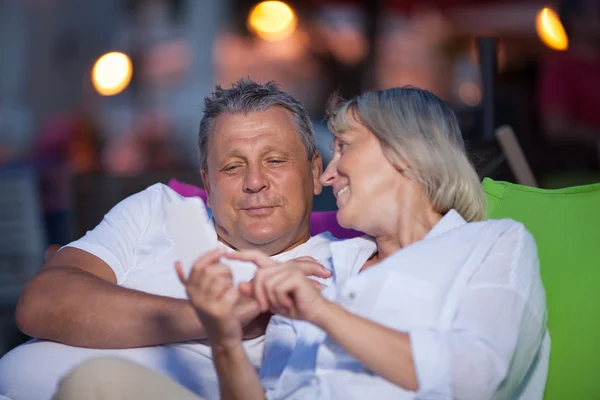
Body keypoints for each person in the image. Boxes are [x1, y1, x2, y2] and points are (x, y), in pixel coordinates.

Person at [52, 87, 550, 400]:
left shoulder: (492, 244)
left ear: (406, 153)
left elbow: (478, 378)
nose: (331, 173)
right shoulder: (333, 261)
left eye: (344, 149)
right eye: (231, 168)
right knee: (95, 383)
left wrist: (322, 313)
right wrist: (223, 336)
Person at [0, 78, 336, 400]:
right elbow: (40, 302)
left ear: (314, 172)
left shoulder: (336, 265)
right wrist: (216, 317)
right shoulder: (160, 209)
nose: (254, 181)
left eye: (275, 161)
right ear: (207, 184)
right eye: (233, 167)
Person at [538, 0, 600, 168]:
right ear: (576, 21)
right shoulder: (560, 65)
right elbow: (555, 126)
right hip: (581, 169)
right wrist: (594, 138)